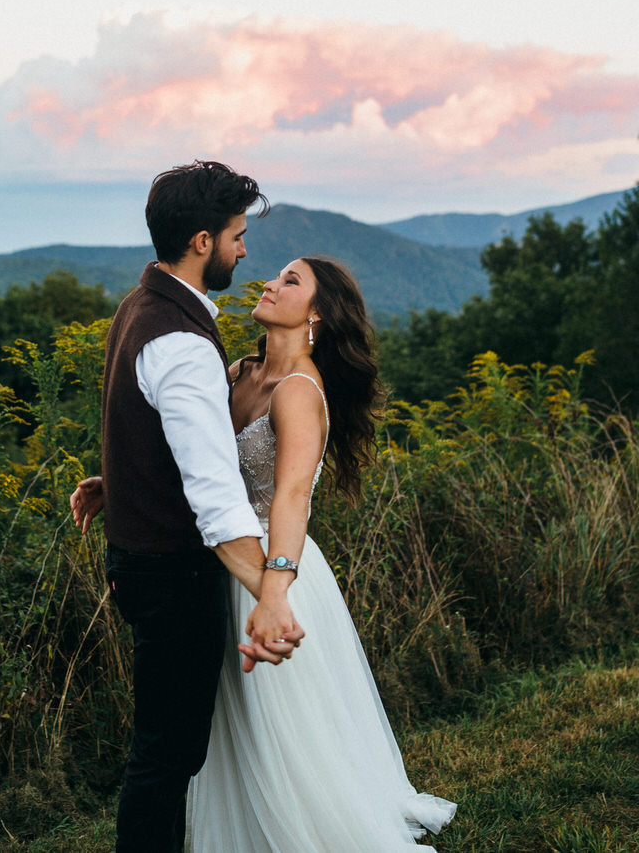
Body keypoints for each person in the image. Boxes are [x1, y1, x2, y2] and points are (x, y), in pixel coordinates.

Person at [184, 254, 457, 850]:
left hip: (273, 569)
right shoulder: (239, 373)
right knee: (231, 715)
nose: (270, 283)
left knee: (279, 724)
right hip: (224, 560)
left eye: (290, 281)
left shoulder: (300, 391)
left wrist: (274, 585)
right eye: (276, 274)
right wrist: (120, 484)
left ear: (317, 314)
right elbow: (195, 458)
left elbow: (291, 495)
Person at [67, 160, 301, 853]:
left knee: (165, 751)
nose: (244, 249)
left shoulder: (141, 308)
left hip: (141, 562)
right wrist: (270, 593)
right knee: (168, 757)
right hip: (175, 575)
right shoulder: (180, 340)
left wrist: (120, 480)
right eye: (235, 234)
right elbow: (217, 496)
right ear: (202, 241)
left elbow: (150, 425)